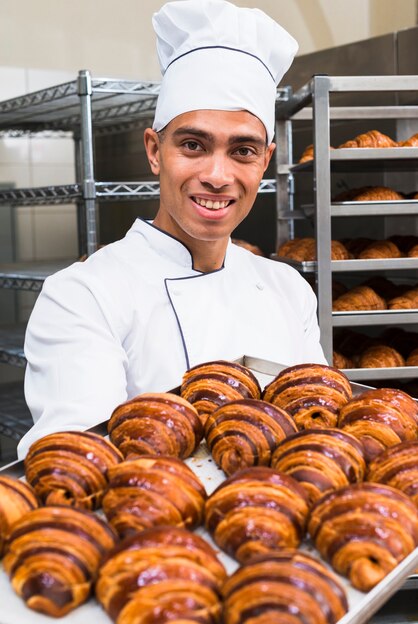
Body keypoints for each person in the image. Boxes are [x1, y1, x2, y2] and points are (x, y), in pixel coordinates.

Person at [19, 0, 326, 457]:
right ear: (154, 151)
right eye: (193, 145)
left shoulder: (287, 289)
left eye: (243, 150)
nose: (217, 175)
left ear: (265, 159)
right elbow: (75, 466)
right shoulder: (83, 297)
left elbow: (319, 431)